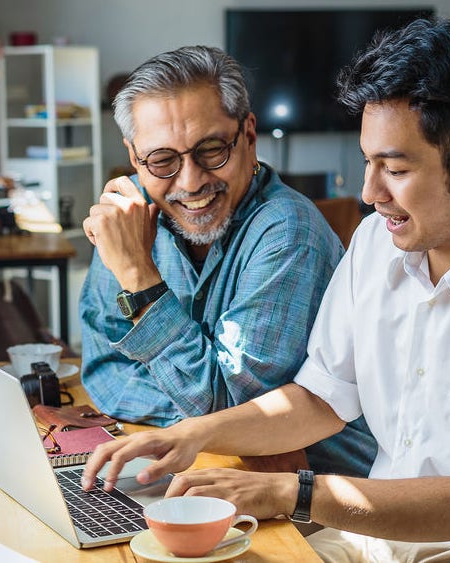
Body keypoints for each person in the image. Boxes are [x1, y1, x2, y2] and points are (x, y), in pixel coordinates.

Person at [82, 16, 450, 563]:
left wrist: (294, 493)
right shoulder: (377, 245)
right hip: (380, 539)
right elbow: (320, 398)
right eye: (368, 162)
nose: (369, 193)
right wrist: (194, 435)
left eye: (394, 169)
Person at [79, 45, 377, 477]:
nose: (191, 181)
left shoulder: (288, 229)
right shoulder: (125, 215)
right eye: (162, 160)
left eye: (211, 150)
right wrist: (197, 423)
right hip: (200, 465)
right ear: (134, 158)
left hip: (313, 498)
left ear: (249, 136)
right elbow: (104, 369)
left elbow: (228, 406)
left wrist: (137, 276)